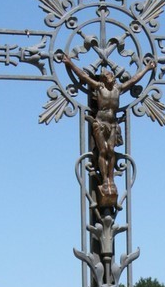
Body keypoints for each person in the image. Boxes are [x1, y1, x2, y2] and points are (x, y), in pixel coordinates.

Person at [60, 52, 155, 202]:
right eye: (109, 75)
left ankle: (111, 180)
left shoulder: (118, 89)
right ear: (104, 79)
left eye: (112, 75)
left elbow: (134, 80)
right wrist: (69, 63)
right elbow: (84, 77)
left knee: (111, 152)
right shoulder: (99, 87)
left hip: (112, 124)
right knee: (103, 151)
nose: (112, 77)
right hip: (100, 123)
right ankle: (105, 180)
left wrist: (147, 68)